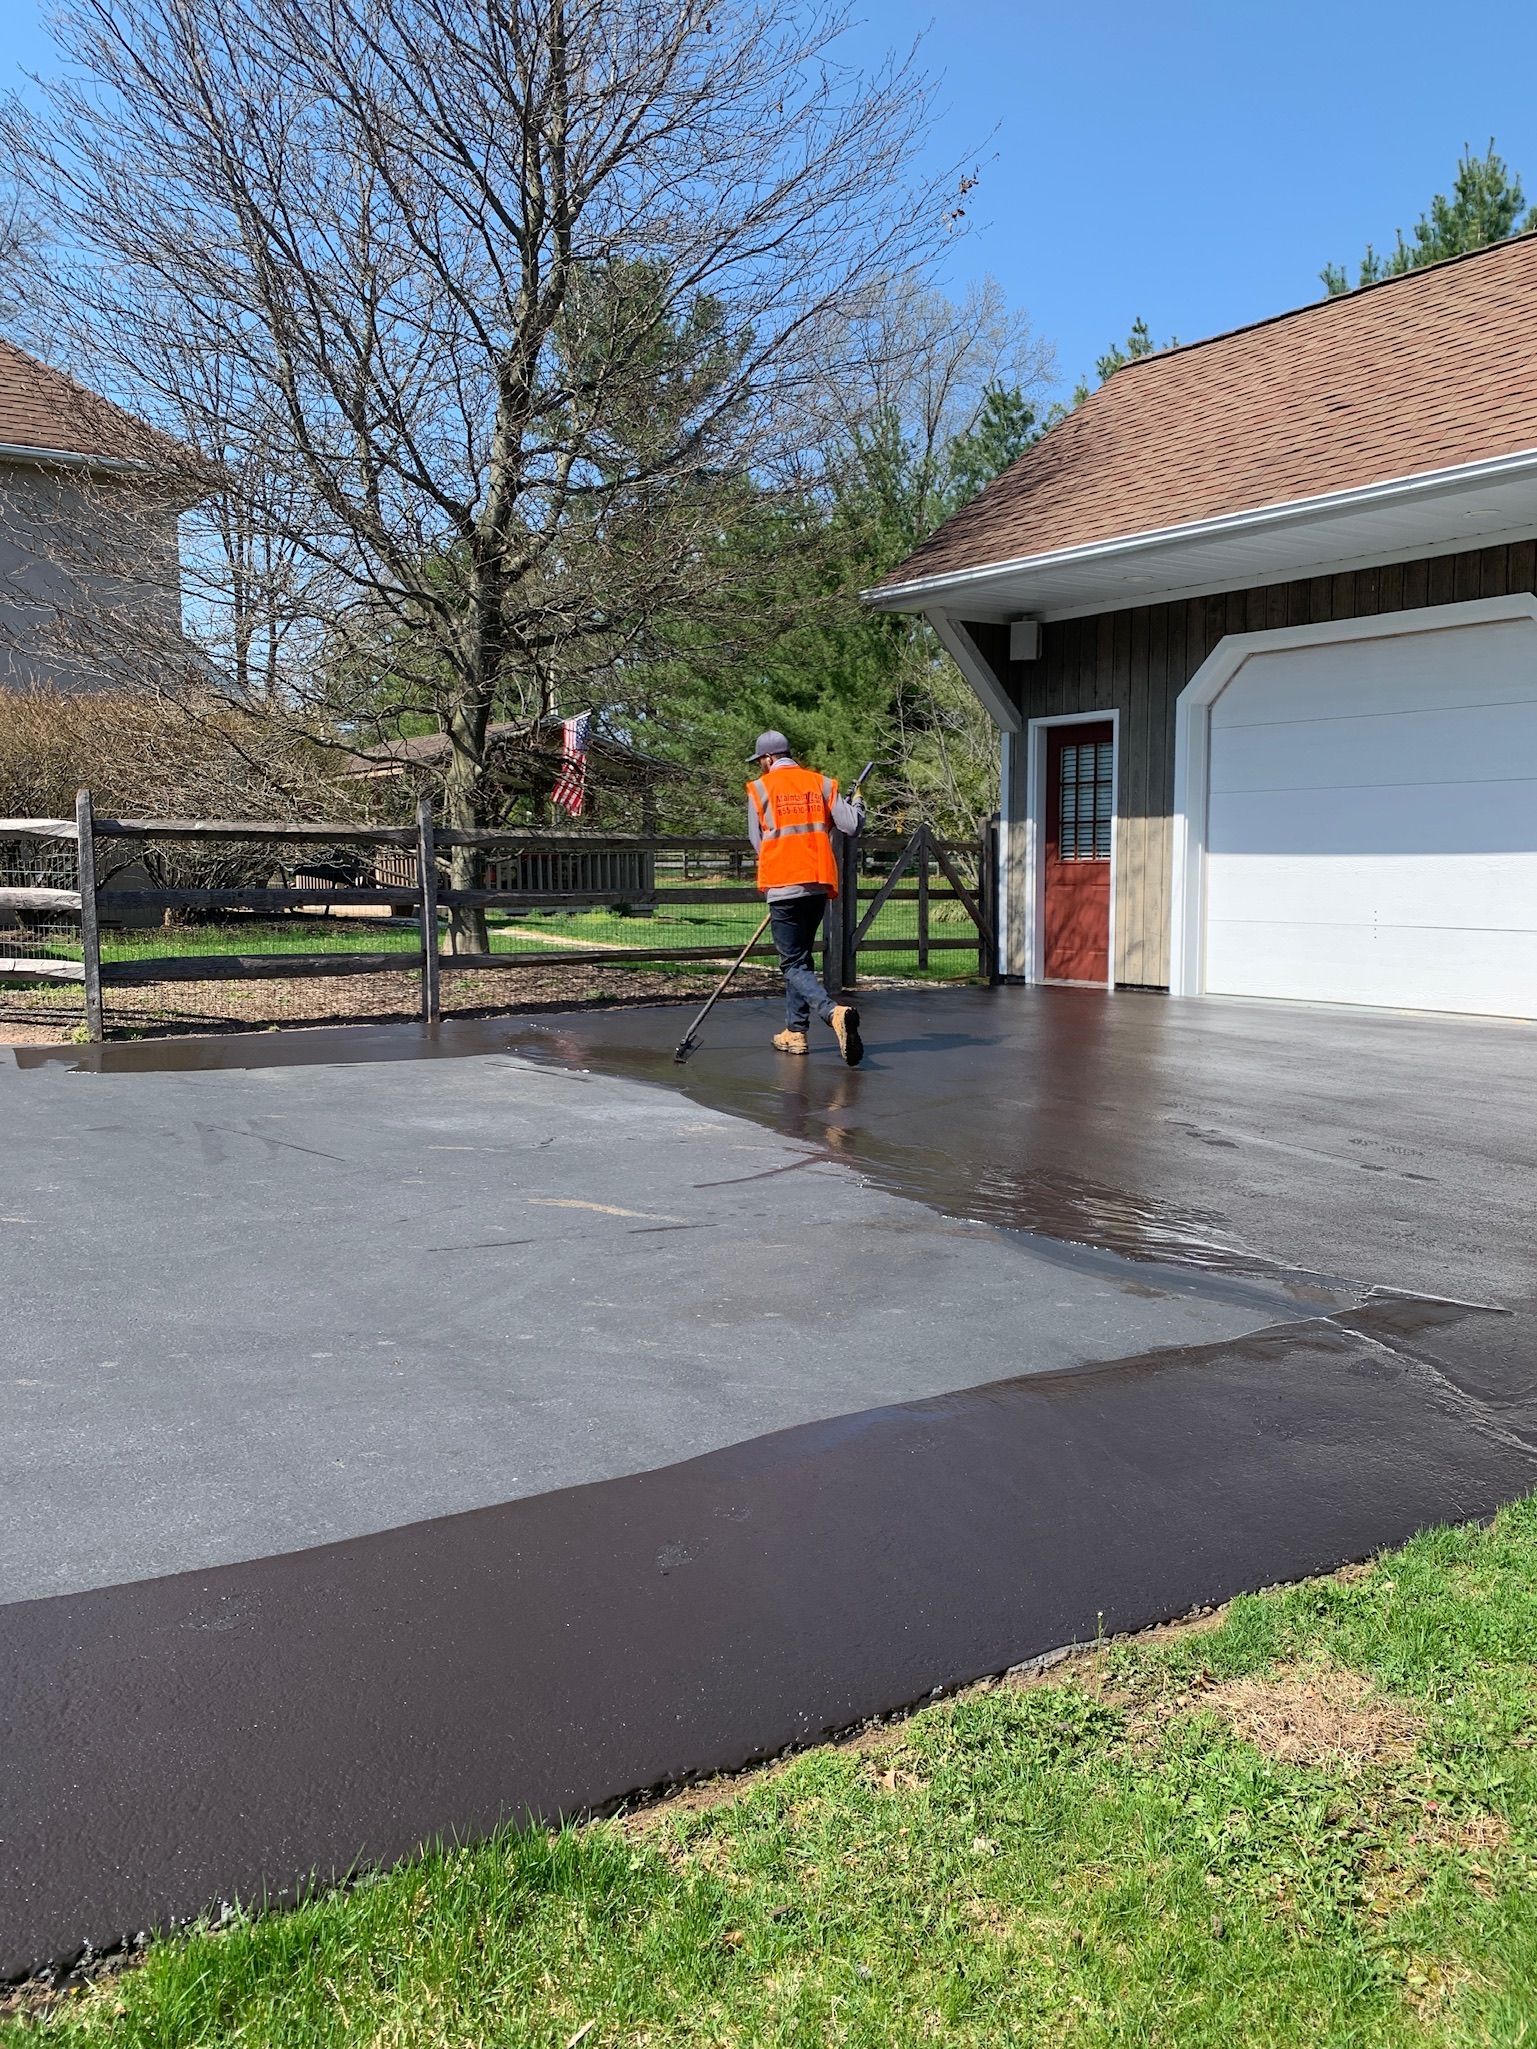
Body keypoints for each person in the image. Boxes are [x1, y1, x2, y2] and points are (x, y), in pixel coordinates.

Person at [745, 730, 865, 1065]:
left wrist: (781, 876)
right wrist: (858, 802)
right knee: (801, 959)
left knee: (792, 963)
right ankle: (795, 1031)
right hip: (816, 883)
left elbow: (757, 841)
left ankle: (832, 1012)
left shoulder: (759, 789)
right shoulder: (822, 784)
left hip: (782, 882)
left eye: (760, 760)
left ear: (768, 758)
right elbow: (852, 826)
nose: (760, 766)